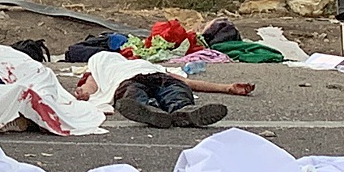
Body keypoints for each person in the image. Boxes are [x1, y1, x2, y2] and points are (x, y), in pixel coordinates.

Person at [74, 51, 249, 128]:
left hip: (153, 77)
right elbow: (89, 86)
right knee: (141, 93)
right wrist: (84, 93)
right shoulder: (100, 67)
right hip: (132, 81)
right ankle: (156, 111)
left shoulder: (142, 63)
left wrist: (228, 88)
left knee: (175, 90)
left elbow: (186, 82)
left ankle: (182, 110)